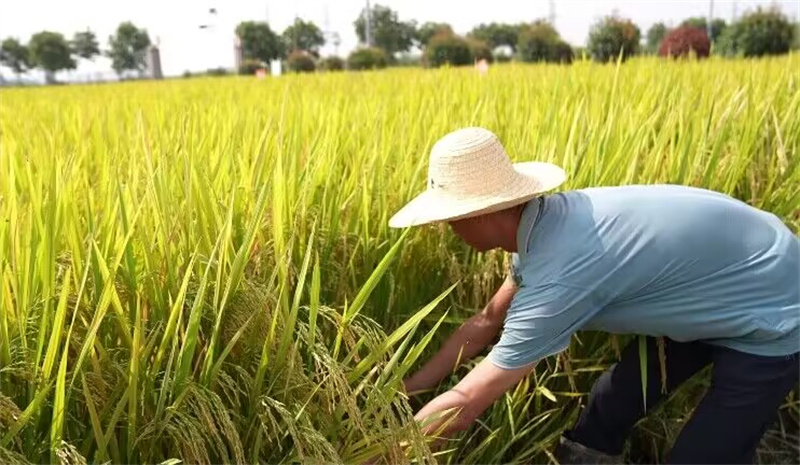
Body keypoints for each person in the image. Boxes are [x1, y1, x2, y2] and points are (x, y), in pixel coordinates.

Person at [390, 127, 800, 464]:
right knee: (610, 404)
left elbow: (466, 404)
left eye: (451, 218)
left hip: (774, 307)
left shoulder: (560, 274)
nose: (449, 229)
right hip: (713, 285)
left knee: (702, 456)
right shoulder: (544, 227)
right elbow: (485, 321)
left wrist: (382, 455)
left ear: (481, 213)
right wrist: (405, 390)